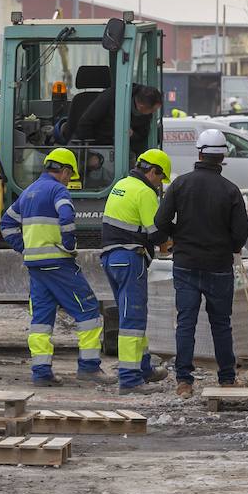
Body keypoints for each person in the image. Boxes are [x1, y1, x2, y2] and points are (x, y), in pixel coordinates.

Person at [0, 147, 109, 386]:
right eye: (70, 175)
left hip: (36, 266)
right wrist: (69, 245)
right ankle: (89, 367)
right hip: (59, 264)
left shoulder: (28, 192)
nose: (69, 181)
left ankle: (41, 372)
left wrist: (23, 248)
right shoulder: (58, 190)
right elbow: (67, 217)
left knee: (41, 319)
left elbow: (6, 224)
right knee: (88, 309)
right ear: (65, 170)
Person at [154, 128, 248, 399]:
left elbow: (161, 222)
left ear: (199, 153)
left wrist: (177, 236)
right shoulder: (230, 191)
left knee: (186, 322)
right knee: (221, 323)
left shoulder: (180, 184)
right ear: (222, 157)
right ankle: (227, 378)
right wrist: (229, 246)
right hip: (219, 266)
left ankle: (184, 381)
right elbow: (240, 233)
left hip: (186, 263)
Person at [101, 147, 173, 395]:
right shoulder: (144, 192)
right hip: (130, 258)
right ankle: (130, 379)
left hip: (111, 257)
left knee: (130, 315)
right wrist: (171, 236)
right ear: (153, 171)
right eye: (160, 179)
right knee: (133, 319)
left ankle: (143, 368)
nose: (160, 185)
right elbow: (155, 234)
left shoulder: (121, 185)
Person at [72, 84, 161, 161]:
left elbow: (143, 135)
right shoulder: (111, 97)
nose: (153, 113)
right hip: (97, 146)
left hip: (123, 152)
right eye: (153, 110)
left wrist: (133, 135)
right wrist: (90, 155)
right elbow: (85, 123)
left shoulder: (146, 112)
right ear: (141, 106)